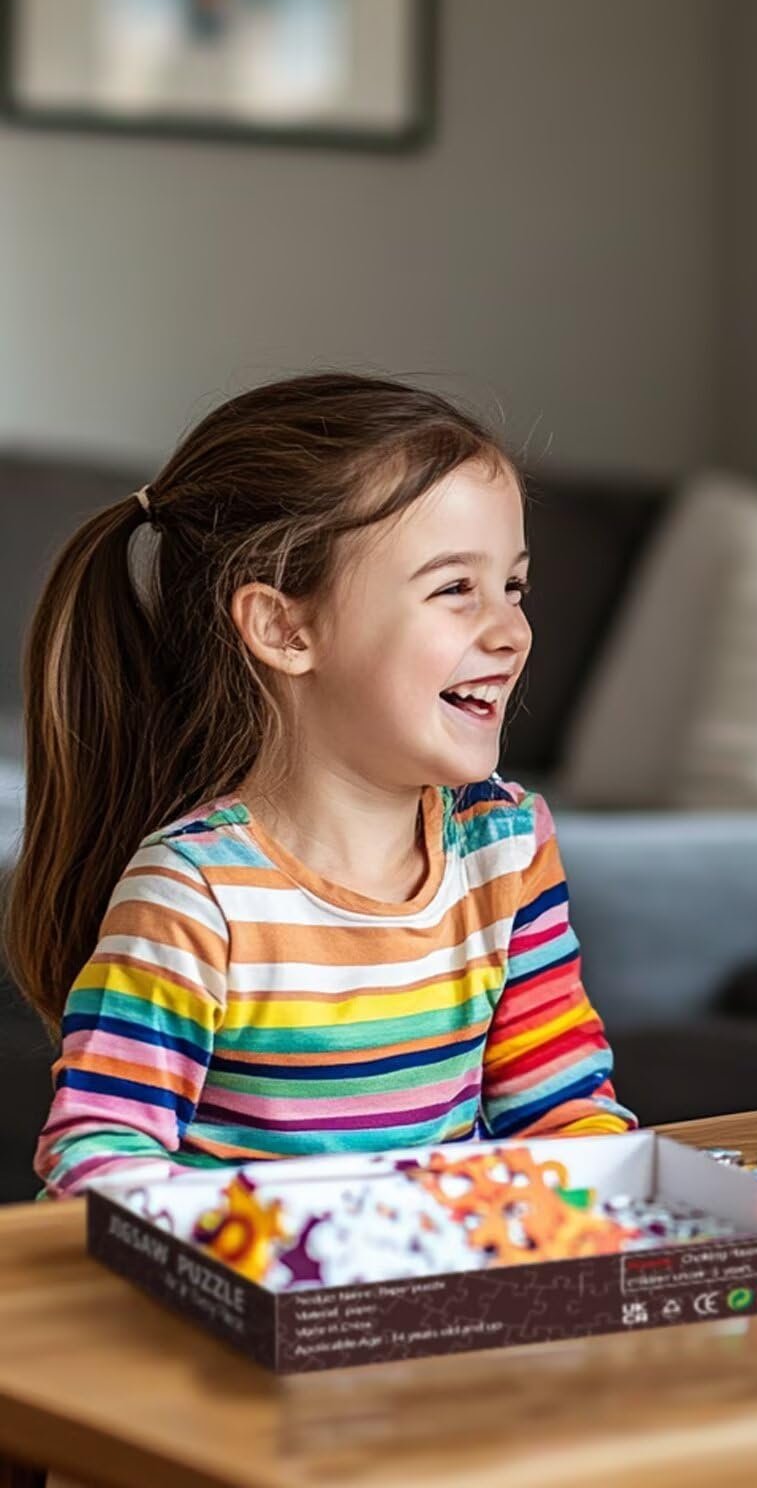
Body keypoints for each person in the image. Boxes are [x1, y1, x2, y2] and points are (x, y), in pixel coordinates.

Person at [6, 373, 635, 1198]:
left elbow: (564, 1114)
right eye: (455, 589)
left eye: (513, 586)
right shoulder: (194, 895)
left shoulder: (506, 847)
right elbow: (96, 1159)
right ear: (285, 628)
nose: (511, 629)